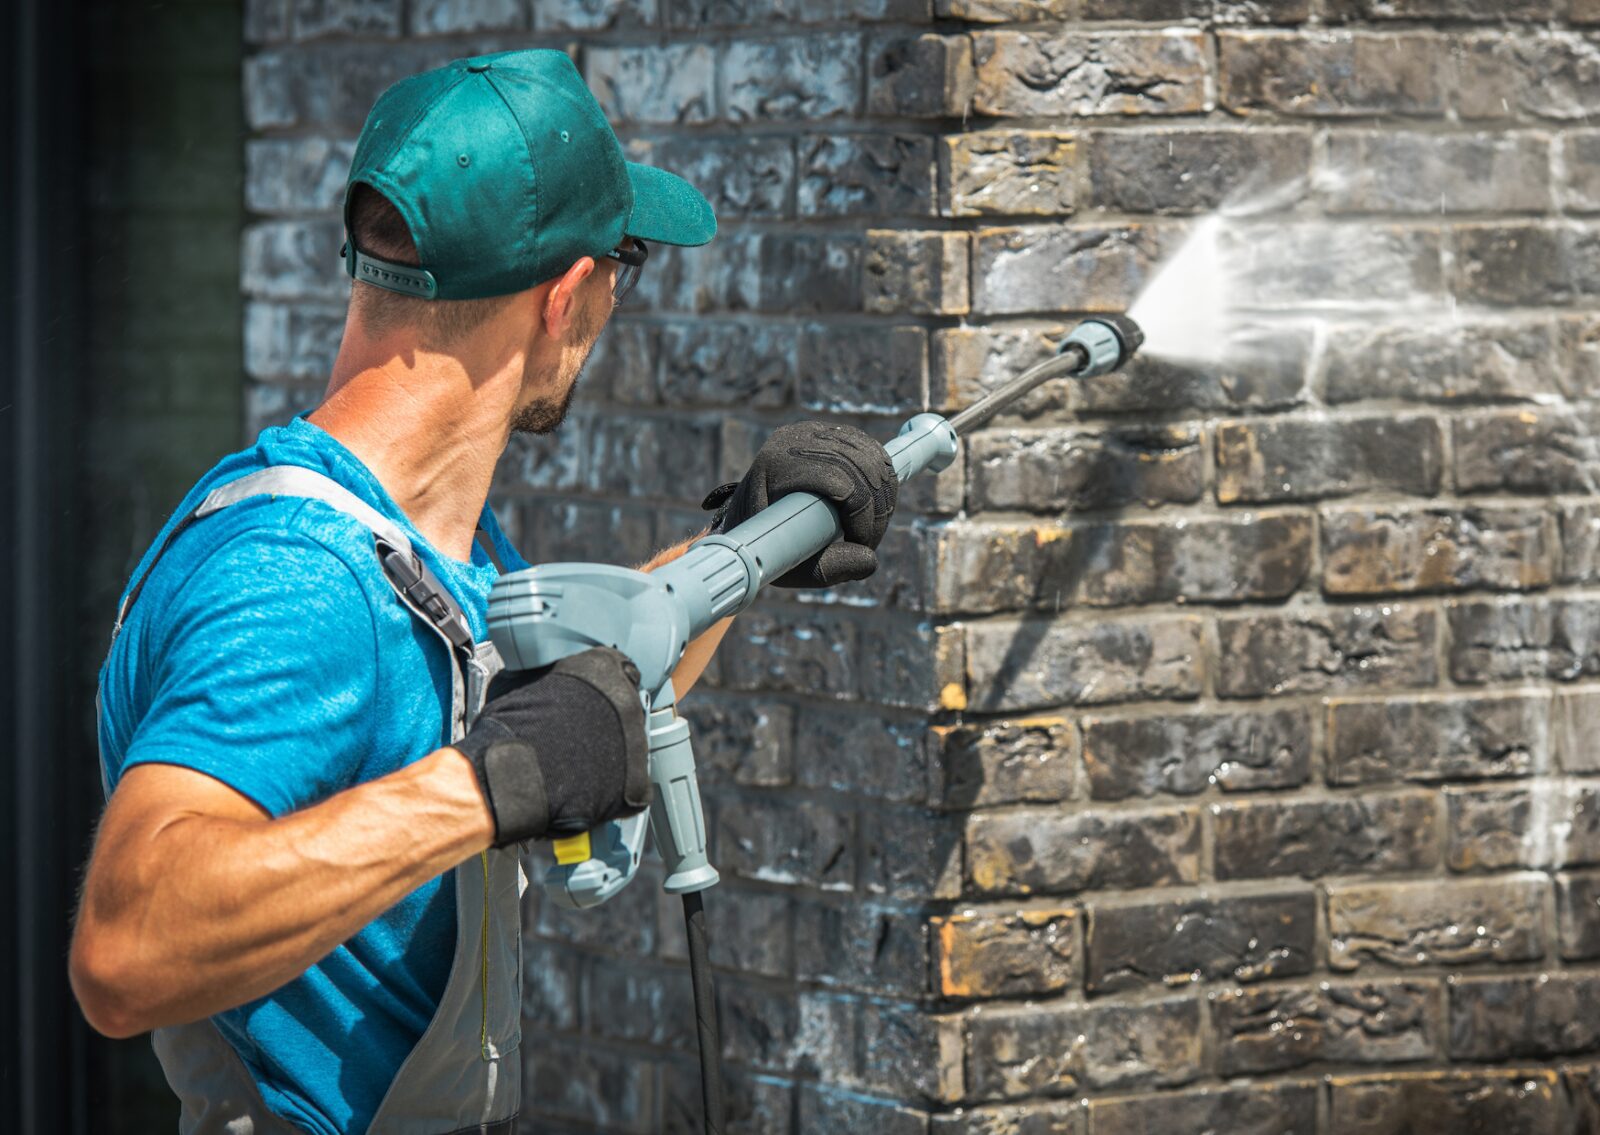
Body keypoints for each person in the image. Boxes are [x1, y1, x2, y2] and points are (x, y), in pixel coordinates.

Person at [69, 48, 898, 1135]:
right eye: (624, 262)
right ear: (565, 296)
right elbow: (129, 949)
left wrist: (739, 548)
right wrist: (485, 788)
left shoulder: (421, 543)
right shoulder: (302, 579)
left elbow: (569, 699)